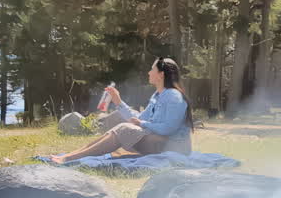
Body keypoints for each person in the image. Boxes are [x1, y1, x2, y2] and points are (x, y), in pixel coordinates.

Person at [49, 58, 192, 163]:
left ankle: (70, 158)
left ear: (161, 75)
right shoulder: (157, 95)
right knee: (120, 123)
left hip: (175, 146)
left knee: (124, 129)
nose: (149, 72)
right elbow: (139, 117)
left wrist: (143, 124)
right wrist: (118, 101)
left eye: (152, 69)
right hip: (159, 141)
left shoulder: (174, 97)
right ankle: (73, 154)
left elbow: (169, 128)